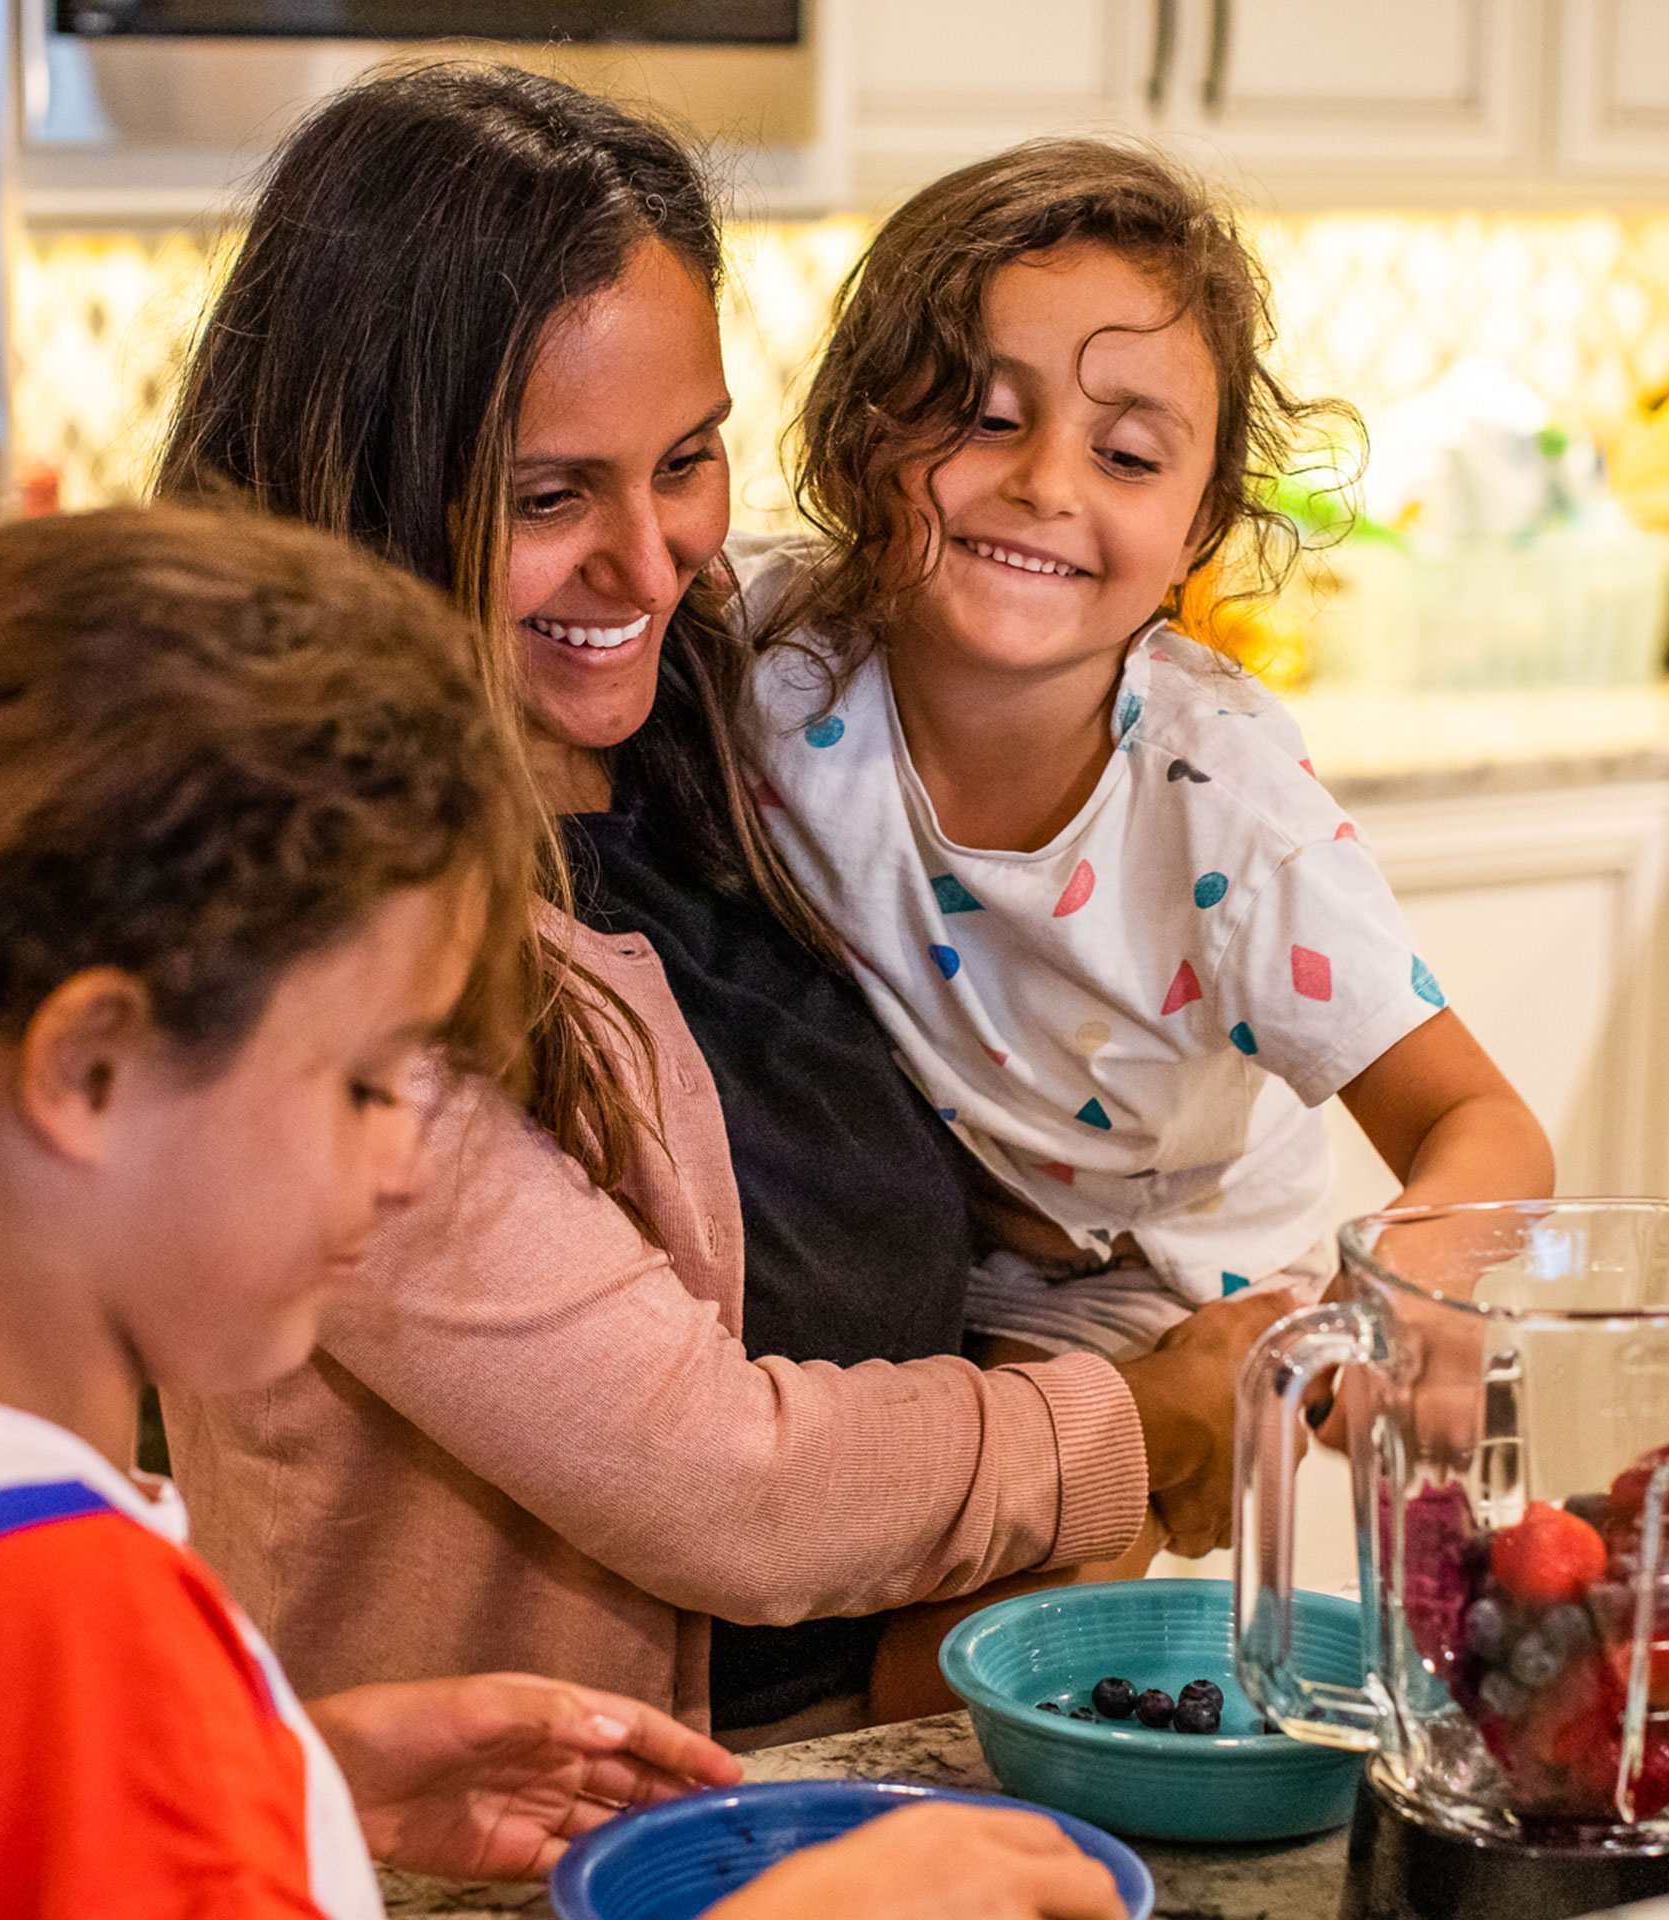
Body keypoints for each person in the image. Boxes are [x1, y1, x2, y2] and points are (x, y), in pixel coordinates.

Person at [0, 506, 1127, 1920]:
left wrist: (271, 1775)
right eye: (367, 1080)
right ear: (88, 1067)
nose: (405, 1166)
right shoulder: (46, 1621)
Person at [155, 64, 1283, 1745]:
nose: (654, 561)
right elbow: (717, 1483)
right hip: (552, 1827)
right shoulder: (300, 940)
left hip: (880, 1741)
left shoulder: (736, 717)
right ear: (367, 492)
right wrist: (1142, 1424)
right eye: (549, 497)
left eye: (687, 460)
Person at [738, 139, 1555, 1364]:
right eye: (982, 418)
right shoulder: (775, 654)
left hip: (1171, 1277)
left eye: (1124, 456)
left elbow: (1484, 1121)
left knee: (1031, 1482)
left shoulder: (1225, 807)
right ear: (860, 443)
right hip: (932, 1240)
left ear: (1197, 531)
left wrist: (1412, 1287)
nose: (1045, 482)